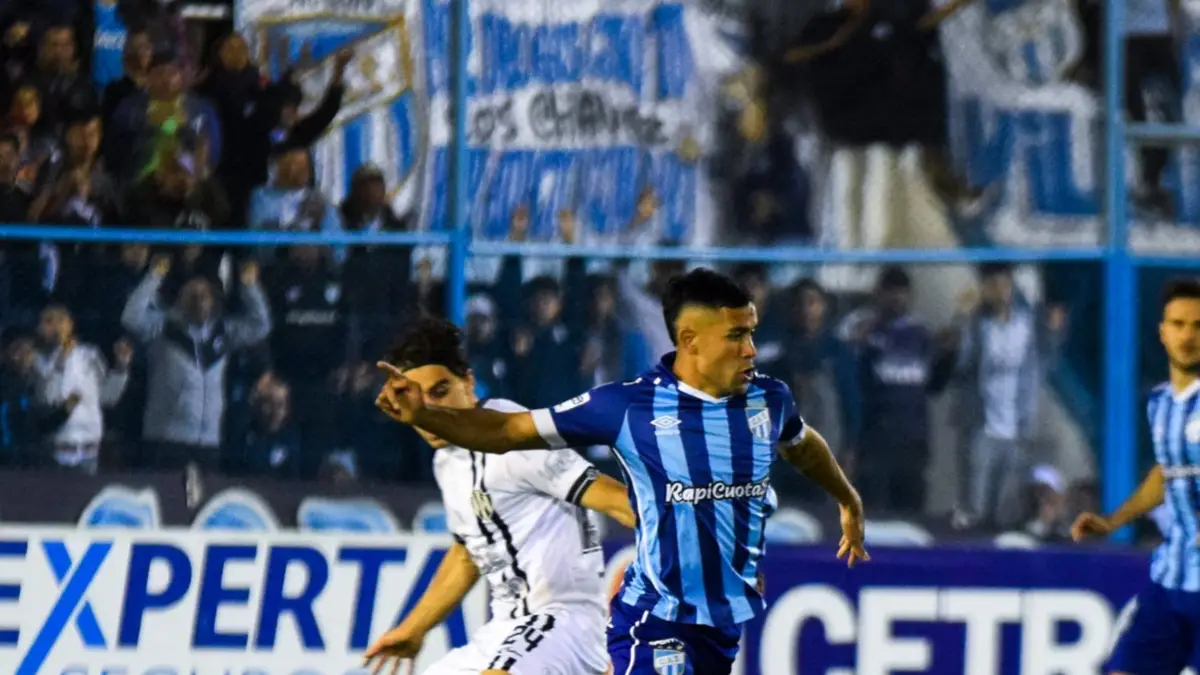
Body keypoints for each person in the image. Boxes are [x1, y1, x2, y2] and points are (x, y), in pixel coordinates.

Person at [372, 268, 868, 674]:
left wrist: (847, 499)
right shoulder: (626, 407)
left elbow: (802, 445)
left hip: (596, 622)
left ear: (468, 381)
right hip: (635, 621)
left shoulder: (768, 398)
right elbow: (474, 538)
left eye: (750, 333)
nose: (751, 349)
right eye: (736, 336)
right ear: (691, 340)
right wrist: (413, 630)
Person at [363, 317, 636, 675]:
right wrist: (413, 630)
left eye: (440, 392)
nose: (429, 410)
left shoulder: (514, 436)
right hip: (504, 630)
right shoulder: (447, 461)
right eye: (418, 400)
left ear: (468, 382)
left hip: (564, 623)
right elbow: (469, 553)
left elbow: (621, 503)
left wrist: (697, 543)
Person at [1072, 277, 1200, 675]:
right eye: (1178, 324)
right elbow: (1166, 473)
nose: (1188, 336)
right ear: (1163, 332)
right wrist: (1114, 520)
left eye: (1198, 326)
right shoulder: (1160, 402)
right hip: (1171, 579)